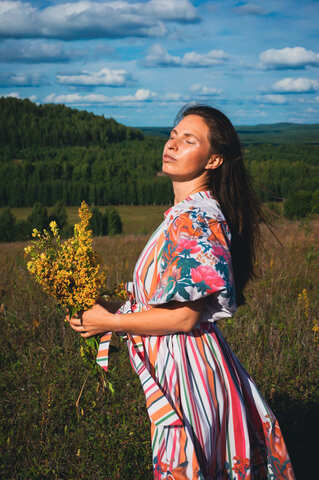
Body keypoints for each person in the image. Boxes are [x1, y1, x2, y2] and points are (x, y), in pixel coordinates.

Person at [69, 105, 295, 479]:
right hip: (180, 362)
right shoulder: (185, 214)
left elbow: (185, 316)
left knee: (187, 463)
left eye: (188, 140)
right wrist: (107, 307)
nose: (172, 145)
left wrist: (110, 321)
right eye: (173, 135)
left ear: (214, 159)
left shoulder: (196, 219)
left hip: (188, 368)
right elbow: (169, 301)